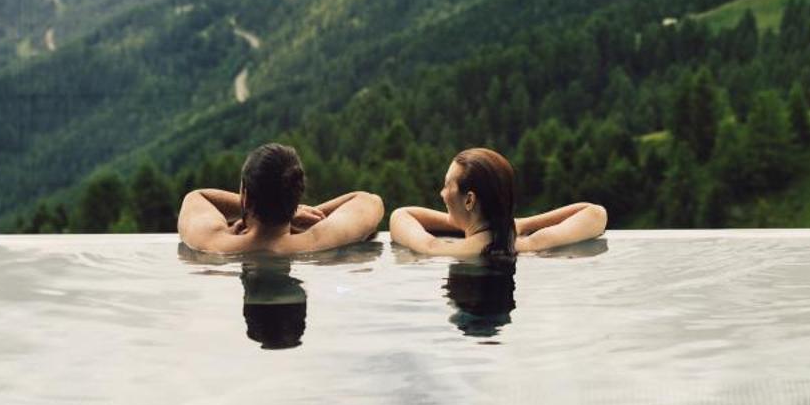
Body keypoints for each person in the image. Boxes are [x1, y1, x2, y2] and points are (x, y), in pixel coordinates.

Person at [388, 146, 607, 256]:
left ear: (469, 201)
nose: (442, 194)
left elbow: (401, 215)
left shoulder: (439, 250)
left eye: (447, 186)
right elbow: (595, 213)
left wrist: (466, 223)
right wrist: (513, 224)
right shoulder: (528, 245)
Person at [177, 142, 383, 255]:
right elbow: (369, 201)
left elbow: (197, 197)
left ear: (246, 196)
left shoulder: (214, 244)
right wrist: (289, 210)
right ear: (296, 194)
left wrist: (258, 203)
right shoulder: (317, 242)